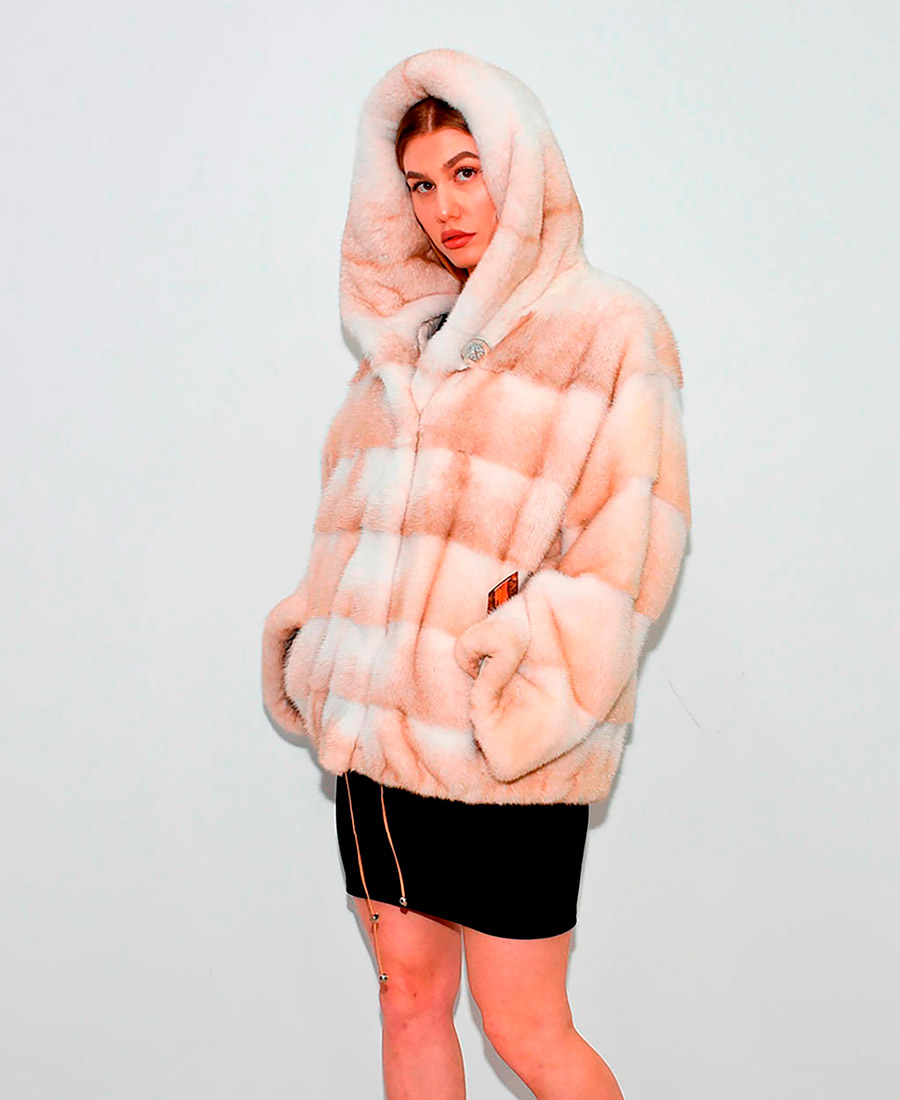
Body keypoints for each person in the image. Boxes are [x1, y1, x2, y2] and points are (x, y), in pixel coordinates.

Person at [261, 48, 691, 1099]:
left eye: (466, 170)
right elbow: (349, 533)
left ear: (520, 167)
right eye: (419, 183)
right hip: (378, 744)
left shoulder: (608, 328)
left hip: (504, 746)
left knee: (526, 1026)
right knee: (407, 1001)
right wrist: (320, 642)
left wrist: (523, 666)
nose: (444, 207)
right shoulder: (397, 352)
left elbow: (631, 544)